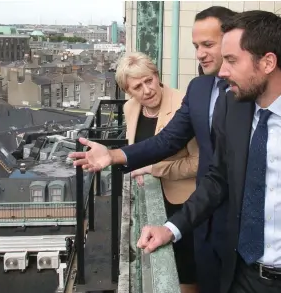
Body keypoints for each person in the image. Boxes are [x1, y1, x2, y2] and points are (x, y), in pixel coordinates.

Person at [135, 10, 281, 293]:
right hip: (241, 277)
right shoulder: (232, 108)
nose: (222, 71)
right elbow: (218, 178)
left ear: (267, 62)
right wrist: (171, 228)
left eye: (231, 60)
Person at [69, 6, 237, 293]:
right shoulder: (200, 89)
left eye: (207, 45)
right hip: (198, 212)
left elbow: (204, 160)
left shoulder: (243, 93)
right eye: (196, 46)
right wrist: (113, 156)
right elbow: (167, 141)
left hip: (221, 209)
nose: (199, 54)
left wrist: (154, 168)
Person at [115, 52, 199, 293]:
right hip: (152, 202)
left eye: (149, 81)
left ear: (156, 75)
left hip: (187, 204)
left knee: (186, 272)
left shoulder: (185, 103)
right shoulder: (131, 108)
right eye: (137, 87)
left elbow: (200, 163)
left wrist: (155, 168)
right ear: (129, 92)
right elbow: (139, 149)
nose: (147, 90)